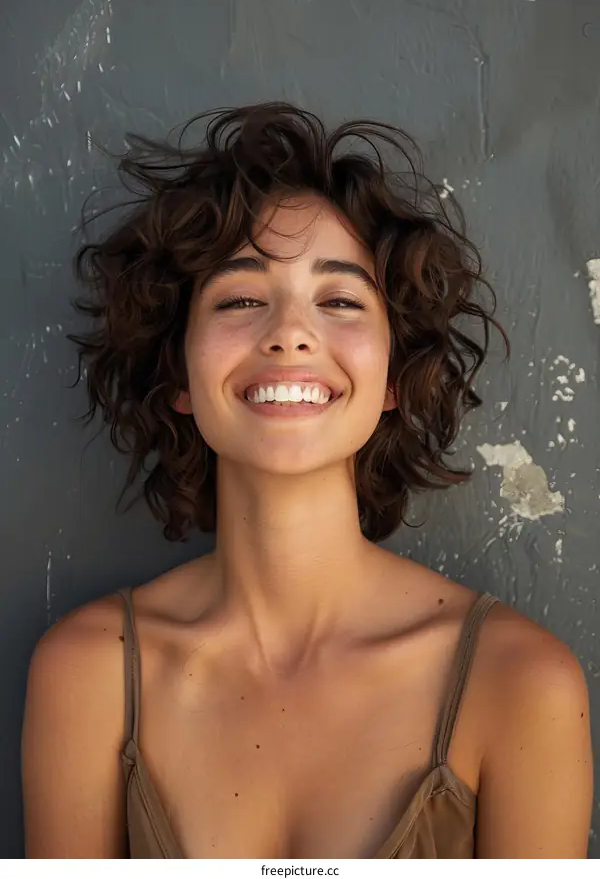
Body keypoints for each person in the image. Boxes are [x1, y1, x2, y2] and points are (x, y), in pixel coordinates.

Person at [21, 102, 593, 858]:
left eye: (340, 300)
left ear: (394, 374)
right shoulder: (87, 674)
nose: (290, 331)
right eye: (241, 299)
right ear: (180, 372)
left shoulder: (520, 684)